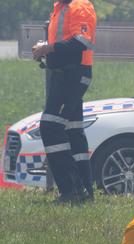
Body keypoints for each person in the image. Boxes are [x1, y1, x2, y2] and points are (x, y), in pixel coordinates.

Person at [32, 0, 97, 203]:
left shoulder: (80, 6)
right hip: (64, 75)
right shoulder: (60, 7)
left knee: (50, 127)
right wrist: (48, 52)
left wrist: (48, 48)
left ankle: (72, 190)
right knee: (72, 130)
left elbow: (81, 42)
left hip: (73, 75)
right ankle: (85, 191)